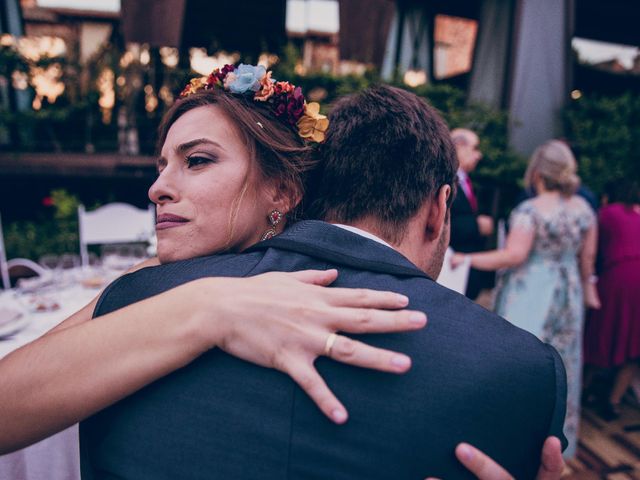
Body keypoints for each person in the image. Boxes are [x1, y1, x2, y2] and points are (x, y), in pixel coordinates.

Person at [0, 65, 557, 479]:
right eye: (163, 164)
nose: (158, 187)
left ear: (287, 192)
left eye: (197, 160)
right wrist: (208, 307)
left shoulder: (134, 294)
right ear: (439, 209)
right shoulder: (523, 366)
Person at [452, 139, 600, 459]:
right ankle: (555, 443)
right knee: (563, 365)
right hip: (568, 293)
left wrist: (466, 258)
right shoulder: (584, 209)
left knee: (521, 362)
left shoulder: (529, 211)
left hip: (531, 292)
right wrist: (587, 290)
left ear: (537, 172)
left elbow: (513, 255)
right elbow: (587, 260)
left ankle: (511, 438)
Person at [583, 180, 640, 420]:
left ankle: (581, 390)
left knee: (600, 337)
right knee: (634, 346)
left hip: (617, 280)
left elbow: (590, 250)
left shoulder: (607, 214)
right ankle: (614, 401)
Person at [449, 128, 494, 300]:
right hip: (451, 264)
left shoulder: (467, 181)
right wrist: (477, 226)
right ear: (459, 146)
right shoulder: (444, 178)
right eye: (475, 148)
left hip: (466, 266)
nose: (478, 155)